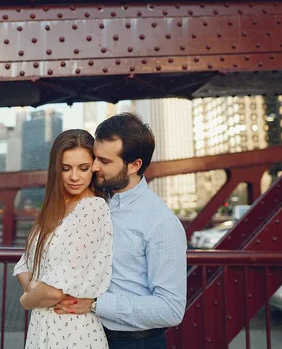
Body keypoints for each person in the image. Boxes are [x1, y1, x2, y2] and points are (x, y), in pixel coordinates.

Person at [54, 113, 187, 349]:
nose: (94, 167)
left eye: (104, 162)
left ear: (134, 165)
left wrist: (95, 304)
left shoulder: (161, 222)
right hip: (89, 336)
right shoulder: (95, 201)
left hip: (135, 343)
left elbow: (171, 309)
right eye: (95, 157)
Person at [13, 129, 113, 348]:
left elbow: (53, 291)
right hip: (42, 328)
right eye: (66, 168)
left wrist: (26, 300)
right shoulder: (54, 209)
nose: (74, 177)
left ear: (94, 168)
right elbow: (23, 266)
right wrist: (38, 289)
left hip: (73, 332)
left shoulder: (92, 209)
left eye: (83, 168)